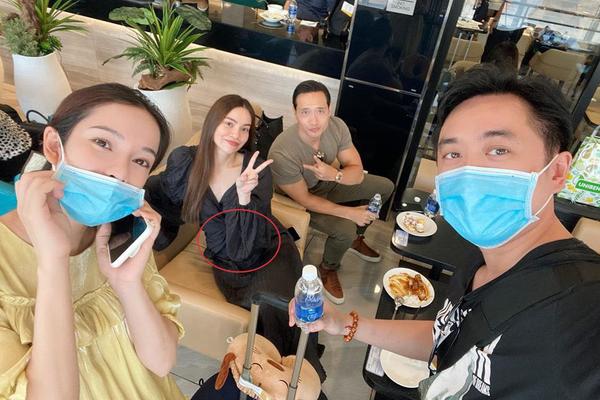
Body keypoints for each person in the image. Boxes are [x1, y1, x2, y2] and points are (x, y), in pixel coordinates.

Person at [288, 65, 600, 398]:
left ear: (558, 171)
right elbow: (448, 337)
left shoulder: (583, 310)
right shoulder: (478, 262)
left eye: (498, 150)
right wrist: (344, 324)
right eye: (453, 154)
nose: (470, 172)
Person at [0, 83, 186, 399]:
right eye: (102, 142)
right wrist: (53, 260)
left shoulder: (119, 238)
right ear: (54, 146)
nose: (120, 172)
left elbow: (161, 362)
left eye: (141, 161)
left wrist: (128, 285)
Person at [144, 95, 327, 389]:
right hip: (228, 261)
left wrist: (242, 198)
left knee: (281, 304)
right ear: (212, 122)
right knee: (266, 308)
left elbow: (247, 246)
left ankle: (297, 379)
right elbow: (159, 190)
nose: (236, 134)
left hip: (266, 247)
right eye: (229, 123)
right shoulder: (185, 161)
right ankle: (270, 382)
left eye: (244, 129)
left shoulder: (256, 171)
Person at [268, 80, 395, 304]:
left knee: (385, 187)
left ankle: (357, 238)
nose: (314, 120)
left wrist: (334, 175)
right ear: (295, 113)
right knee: (345, 229)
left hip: (329, 182)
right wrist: (350, 213)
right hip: (299, 200)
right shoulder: (282, 152)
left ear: (329, 110)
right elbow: (305, 199)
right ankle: (328, 267)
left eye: (320, 111)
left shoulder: (336, 126)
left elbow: (357, 173)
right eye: (305, 112)